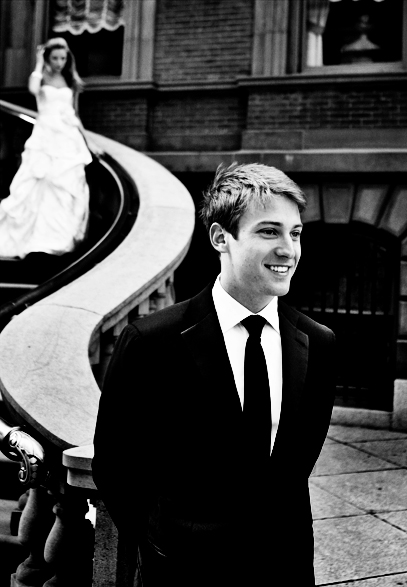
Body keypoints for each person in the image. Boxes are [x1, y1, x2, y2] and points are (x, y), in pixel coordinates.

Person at [92, 163, 336, 585]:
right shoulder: (152, 341)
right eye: (268, 231)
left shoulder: (318, 342)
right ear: (221, 237)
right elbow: (116, 465)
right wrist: (162, 543)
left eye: (294, 233)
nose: (288, 249)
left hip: (285, 566)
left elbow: (297, 466)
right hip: (185, 569)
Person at [0, 37, 97, 259]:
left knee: (66, 186)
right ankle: (34, 239)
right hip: (46, 136)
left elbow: (75, 114)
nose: (59, 62)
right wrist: (37, 63)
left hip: (68, 137)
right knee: (40, 182)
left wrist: (88, 141)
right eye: (55, 58)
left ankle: (60, 240)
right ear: (48, 57)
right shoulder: (41, 76)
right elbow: (33, 89)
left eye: (63, 58)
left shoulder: (70, 79)